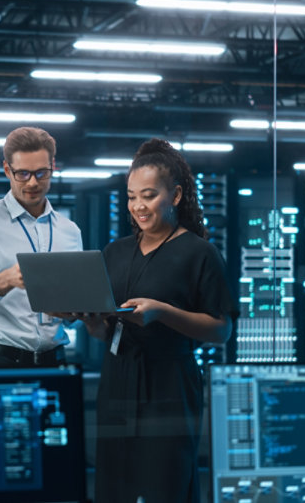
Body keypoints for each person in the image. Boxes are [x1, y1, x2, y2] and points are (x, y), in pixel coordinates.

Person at [81, 138, 237, 502]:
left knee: (164, 486)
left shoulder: (200, 253)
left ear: (176, 196)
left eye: (148, 196)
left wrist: (162, 312)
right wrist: (91, 323)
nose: (138, 206)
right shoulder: (115, 252)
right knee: (113, 486)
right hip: (117, 380)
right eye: (132, 196)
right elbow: (108, 331)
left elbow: (221, 330)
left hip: (170, 384)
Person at [0, 126, 83, 367]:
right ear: (7, 170)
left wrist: (75, 312)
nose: (33, 182)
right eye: (23, 174)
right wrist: (3, 281)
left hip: (56, 362)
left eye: (42, 173)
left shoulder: (70, 231)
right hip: (1, 362)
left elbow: (74, 311)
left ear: (53, 166)